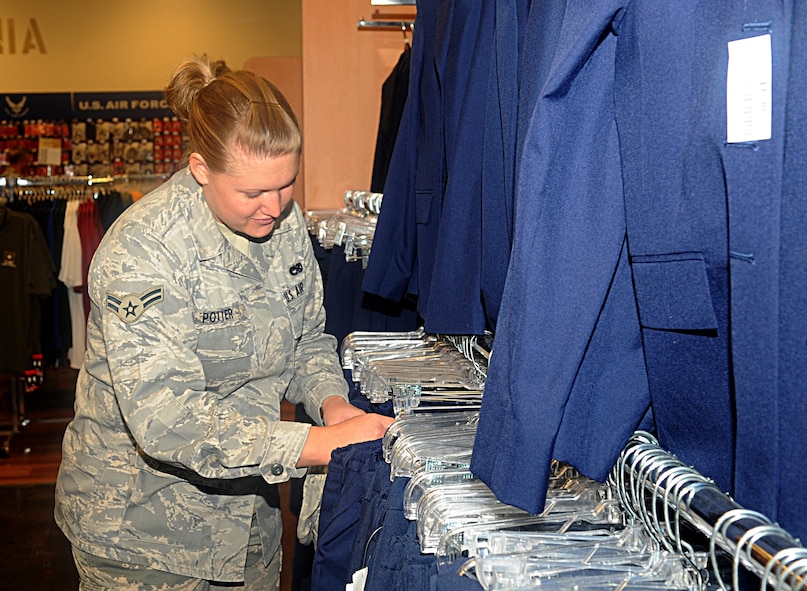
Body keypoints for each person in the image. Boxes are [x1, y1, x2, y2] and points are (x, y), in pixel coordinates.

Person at [54, 54, 395, 590]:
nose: (274, 206)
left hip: (248, 520)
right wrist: (318, 444)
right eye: (254, 192)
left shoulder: (282, 223)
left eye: (286, 185)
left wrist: (333, 404)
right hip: (143, 536)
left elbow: (306, 339)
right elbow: (168, 420)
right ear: (200, 169)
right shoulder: (143, 250)